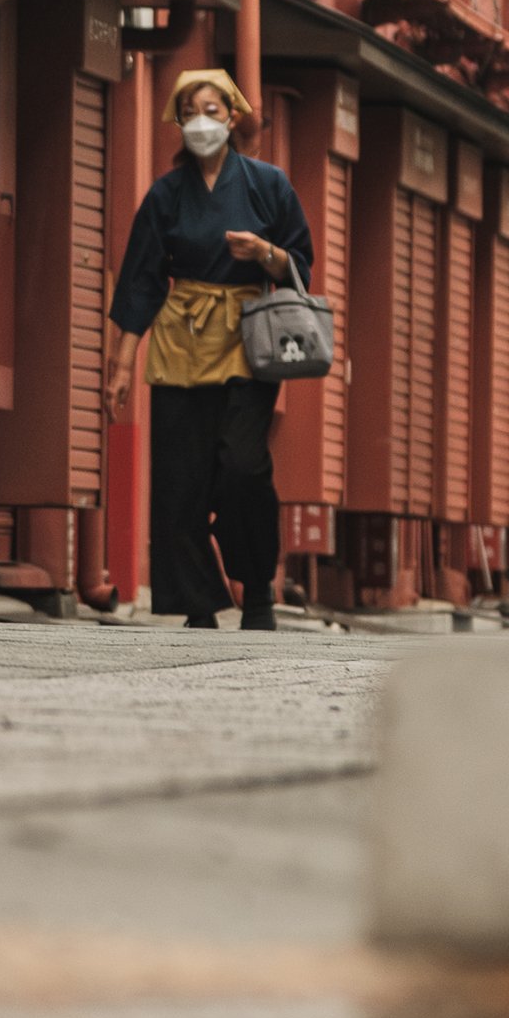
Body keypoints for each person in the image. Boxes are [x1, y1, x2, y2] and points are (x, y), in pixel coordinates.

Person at [104, 68, 313, 629]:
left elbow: (300, 262)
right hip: (181, 340)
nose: (203, 122)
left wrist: (265, 252)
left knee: (242, 468)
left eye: (212, 110)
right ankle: (198, 602)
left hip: (249, 339)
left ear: (233, 116)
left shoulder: (268, 185)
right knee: (180, 480)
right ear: (179, 121)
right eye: (191, 112)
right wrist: (122, 364)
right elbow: (142, 280)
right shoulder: (165, 195)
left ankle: (257, 585)